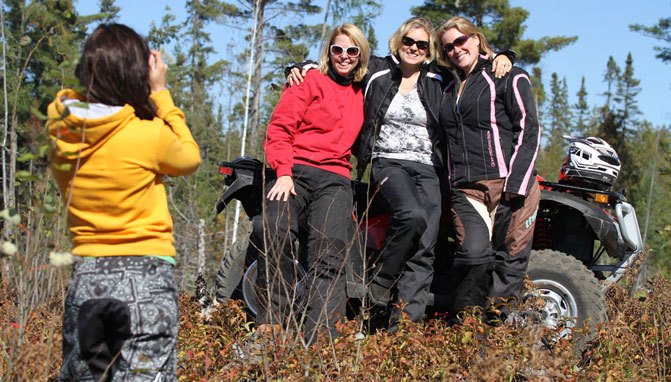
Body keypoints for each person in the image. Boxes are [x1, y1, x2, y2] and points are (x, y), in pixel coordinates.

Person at [287, 17, 513, 330]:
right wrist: (303, 66)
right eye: (409, 41)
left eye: (422, 44)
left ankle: (403, 331)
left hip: (429, 168)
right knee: (412, 214)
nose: (414, 48)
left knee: (424, 249)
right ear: (399, 41)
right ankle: (381, 282)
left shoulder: (440, 77)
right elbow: (340, 64)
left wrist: (503, 56)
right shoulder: (377, 70)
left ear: (429, 49)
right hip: (388, 162)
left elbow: (472, 65)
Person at [48, 23, 201, 381]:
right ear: (138, 73)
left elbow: (64, 101)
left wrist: (97, 71)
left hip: (87, 281)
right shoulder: (148, 135)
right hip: (146, 280)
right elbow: (190, 157)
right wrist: (160, 94)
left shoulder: (61, 130)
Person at [254, 23, 370, 345]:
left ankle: (322, 339)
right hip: (296, 172)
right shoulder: (308, 81)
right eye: (337, 50)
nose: (343, 57)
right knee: (271, 226)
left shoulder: (364, 92)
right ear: (328, 52)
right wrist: (284, 172)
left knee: (329, 251)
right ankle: (274, 322)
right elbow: (280, 129)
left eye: (351, 51)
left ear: (360, 55)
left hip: (335, 179)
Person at [437, 16, 541, 324]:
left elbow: (528, 130)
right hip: (468, 189)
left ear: (476, 39)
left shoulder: (509, 76)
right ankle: (464, 331)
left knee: (509, 265)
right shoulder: (446, 85)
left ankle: (491, 340)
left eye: (461, 40)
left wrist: (516, 184)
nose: (456, 50)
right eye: (448, 47)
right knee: (473, 254)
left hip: (513, 186)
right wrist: (307, 66)